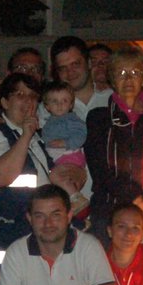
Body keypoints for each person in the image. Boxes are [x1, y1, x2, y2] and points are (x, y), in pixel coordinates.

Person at [84, 47, 143, 243]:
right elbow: (100, 170)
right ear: (111, 78)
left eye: (134, 73)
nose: (128, 79)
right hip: (109, 213)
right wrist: (137, 201)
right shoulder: (99, 118)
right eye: (121, 73)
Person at [0, 72, 54, 267]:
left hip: (36, 237)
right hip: (10, 241)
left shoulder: (34, 137)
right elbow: (0, 177)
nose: (28, 101)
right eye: (20, 95)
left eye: (32, 96)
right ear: (4, 102)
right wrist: (26, 136)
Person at [39, 79, 92, 222]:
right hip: (59, 157)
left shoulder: (71, 120)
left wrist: (66, 143)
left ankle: (77, 198)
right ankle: (74, 206)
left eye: (64, 101)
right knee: (58, 183)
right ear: (47, 106)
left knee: (55, 177)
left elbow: (81, 135)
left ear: (71, 104)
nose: (60, 105)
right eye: (54, 101)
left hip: (70, 155)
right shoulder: (48, 122)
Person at [50, 35, 111, 117]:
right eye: (63, 68)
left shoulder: (112, 99)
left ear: (89, 63)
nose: (70, 72)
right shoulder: (48, 107)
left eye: (75, 64)